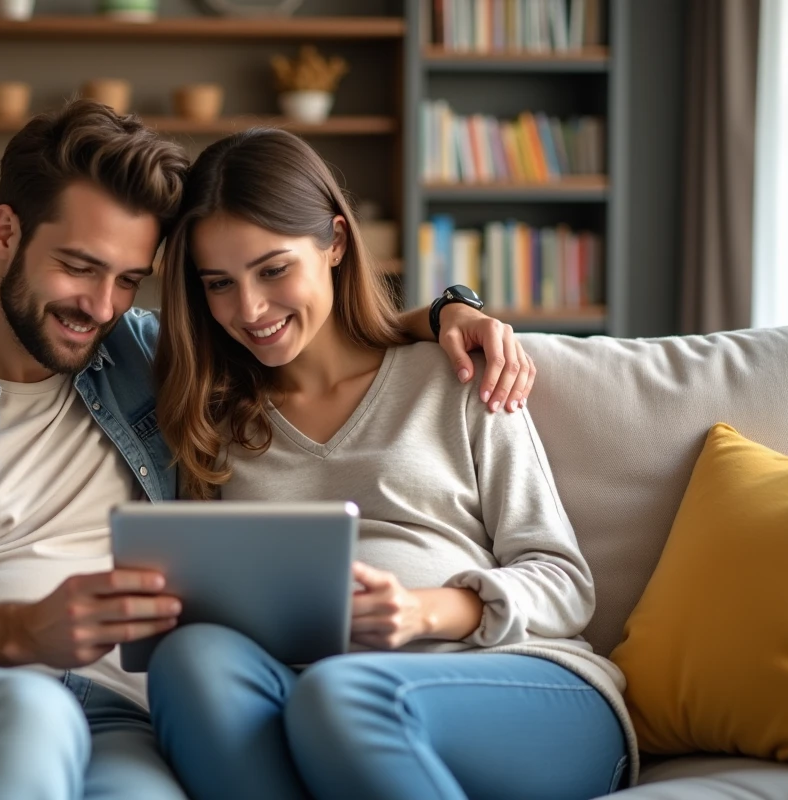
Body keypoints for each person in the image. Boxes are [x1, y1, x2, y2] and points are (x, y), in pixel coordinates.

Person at [0, 100, 539, 800]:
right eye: (78, 267)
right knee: (28, 715)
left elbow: (303, 331)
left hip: (114, 712)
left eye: (128, 279)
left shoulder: (141, 355)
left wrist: (447, 314)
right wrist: (23, 631)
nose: (99, 307)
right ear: (4, 235)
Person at [147, 126, 635, 800]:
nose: (249, 309)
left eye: (274, 268)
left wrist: (425, 611)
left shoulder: (455, 374)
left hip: (523, 687)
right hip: (320, 705)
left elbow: (563, 581)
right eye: (219, 284)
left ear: (336, 244)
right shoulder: (216, 425)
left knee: (342, 695)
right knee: (187, 661)